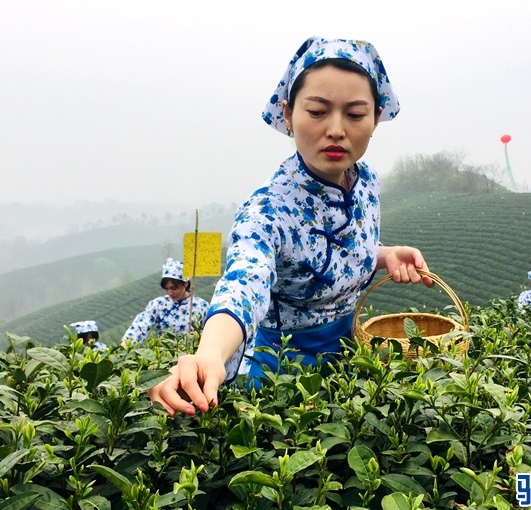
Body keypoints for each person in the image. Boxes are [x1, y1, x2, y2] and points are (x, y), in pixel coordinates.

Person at [149, 36, 433, 416]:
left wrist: (382, 255)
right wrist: (210, 353)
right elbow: (245, 281)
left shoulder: (365, 181)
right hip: (282, 372)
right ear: (287, 114)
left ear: (376, 118)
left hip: (351, 353)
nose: (336, 129)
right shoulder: (267, 211)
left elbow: (331, 252)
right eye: (317, 111)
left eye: (355, 114)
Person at [122, 258, 210, 345]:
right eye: (166, 289)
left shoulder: (201, 306)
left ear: (185, 283)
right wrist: (126, 345)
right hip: (164, 352)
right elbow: (141, 326)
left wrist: (198, 335)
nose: (170, 292)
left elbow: (210, 333)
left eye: (173, 288)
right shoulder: (159, 304)